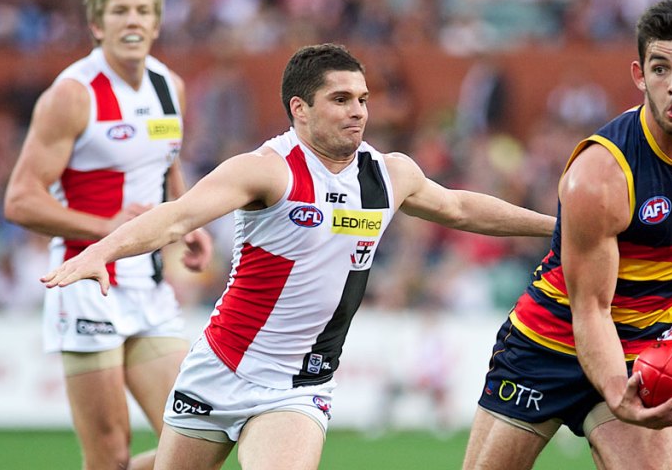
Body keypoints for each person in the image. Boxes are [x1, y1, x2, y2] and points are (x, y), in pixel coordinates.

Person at [41, 43, 557, 470]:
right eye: (340, 98)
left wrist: (560, 228)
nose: (358, 110)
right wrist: (100, 251)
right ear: (300, 109)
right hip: (221, 366)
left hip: (298, 386)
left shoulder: (390, 173)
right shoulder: (266, 169)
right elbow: (177, 216)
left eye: (362, 98)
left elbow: (462, 208)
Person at [463, 0, 672, 469]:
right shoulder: (599, 176)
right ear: (639, 74)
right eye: (660, 68)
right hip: (545, 343)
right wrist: (614, 391)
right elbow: (591, 308)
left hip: (643, 350)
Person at [2, 0, 212, 468]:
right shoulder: (72, 95)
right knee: (109, 455)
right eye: (120, 11)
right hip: (87, 288)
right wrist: (110, 230)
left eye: (143, 10)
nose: (133, 20)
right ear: (97, 24)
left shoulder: (170, 87)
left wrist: (187, 222)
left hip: (150, 283)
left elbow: (167, 163)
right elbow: (20, 200)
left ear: (158, 22)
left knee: (200, 439)